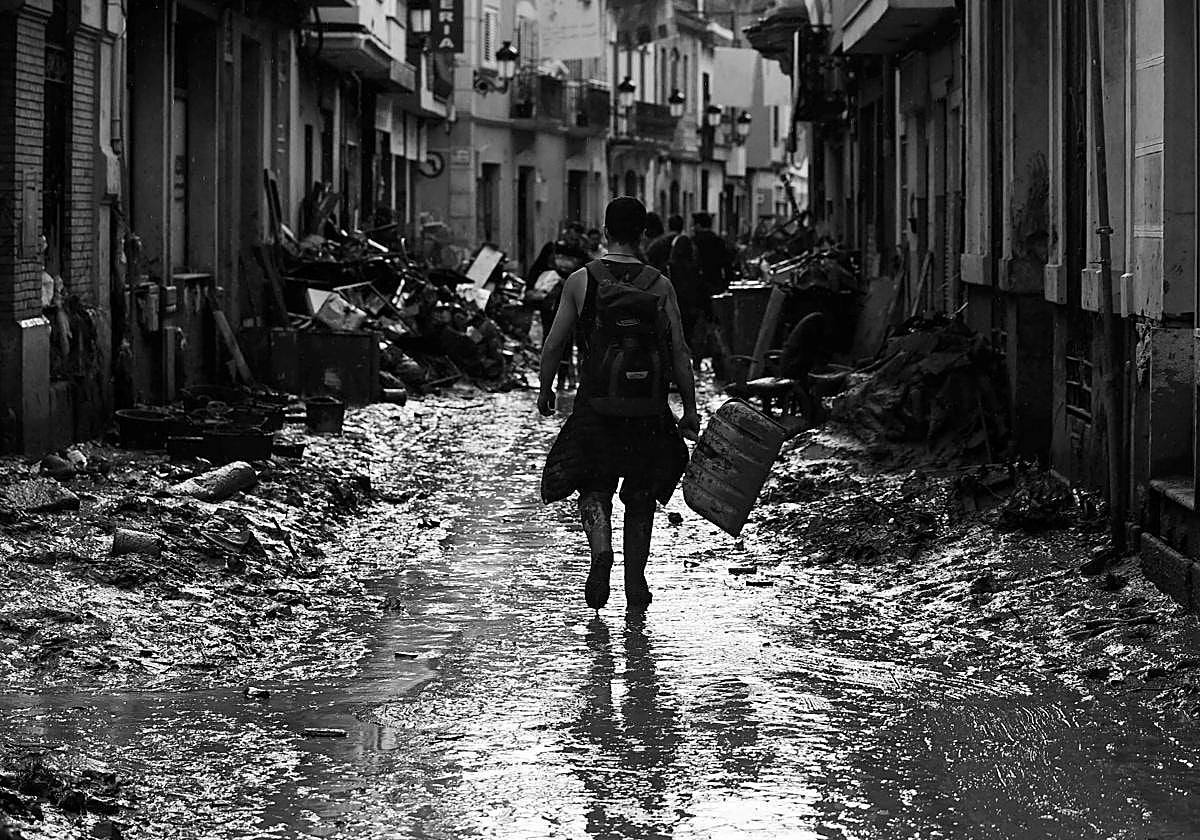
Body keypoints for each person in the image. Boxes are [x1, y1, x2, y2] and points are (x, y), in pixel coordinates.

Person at [538, 196, 701, 612]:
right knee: (642, 493)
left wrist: (545, 390)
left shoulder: (581, 280)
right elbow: (679, 353)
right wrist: (689, 410)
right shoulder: (660, 284)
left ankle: (600, 550)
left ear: (606, 231)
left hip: (596, 405)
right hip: (647, 409)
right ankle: (635, 580)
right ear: (643, 234)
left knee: (593, 486)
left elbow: (554, 345)